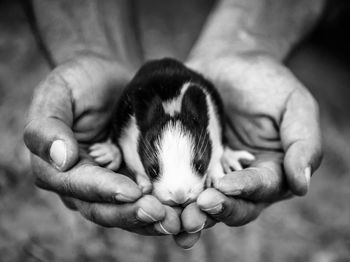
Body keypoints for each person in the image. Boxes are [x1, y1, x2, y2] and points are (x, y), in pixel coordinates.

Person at [23, 0, 323, 250]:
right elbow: (129, 138)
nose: (179, 195)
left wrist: (221, 155)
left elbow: (214, 136)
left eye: (198, 164)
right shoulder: (135, 134)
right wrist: (122, 155)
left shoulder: (207, 121)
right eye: (155, 169)